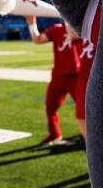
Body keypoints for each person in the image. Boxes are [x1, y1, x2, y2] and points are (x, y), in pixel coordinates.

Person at [26, 15, 82, 145]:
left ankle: (92, 135)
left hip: (76, 75)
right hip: (58, 75)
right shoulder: (56, 29)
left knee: (85, 110)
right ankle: (54, 134)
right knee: (50, 107)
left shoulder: (79, 27)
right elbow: (37, 40)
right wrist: (32, 24)